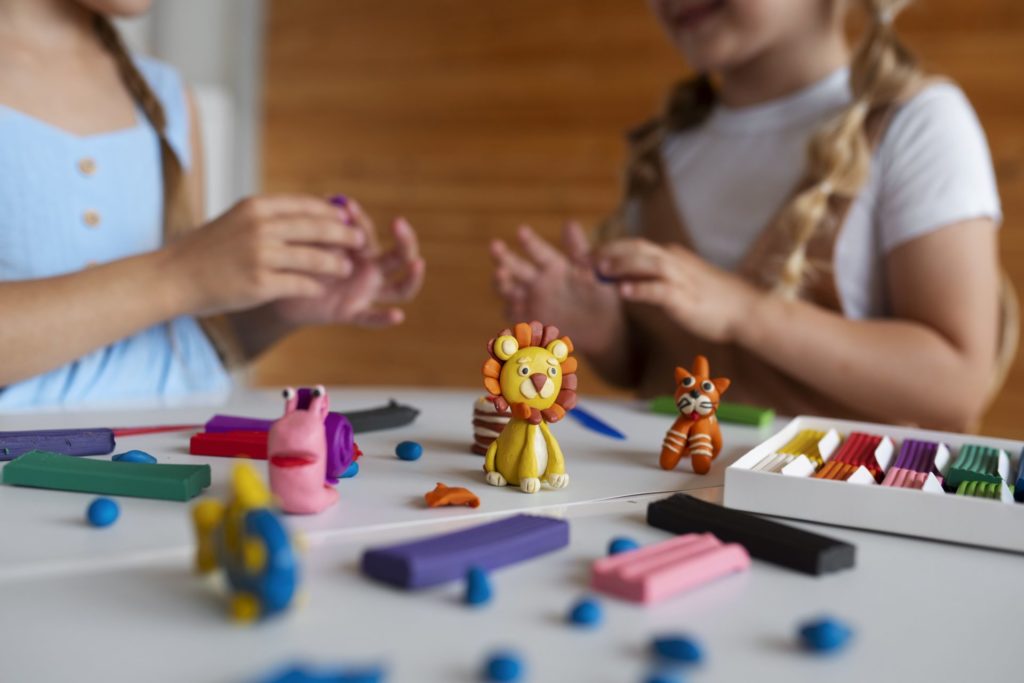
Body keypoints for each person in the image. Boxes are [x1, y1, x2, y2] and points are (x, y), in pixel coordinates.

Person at [491, 0, 1010, 431]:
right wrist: (606, 334)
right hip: (660, 510)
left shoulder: (919, 124)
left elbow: (955, 386)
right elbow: (651, 369)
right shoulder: (662, 150)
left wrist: (745, 311)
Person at [0, 0, 424, 407]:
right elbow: (177, 282)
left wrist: (281, 308)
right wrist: (181, 274)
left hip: (178, 448)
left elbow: (185, 341)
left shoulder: (165, 95)